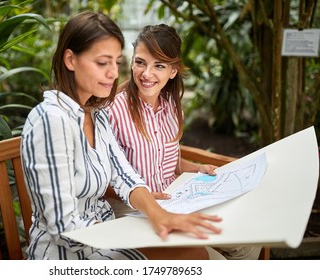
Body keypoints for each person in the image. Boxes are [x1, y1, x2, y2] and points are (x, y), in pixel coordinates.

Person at [20, 11, 222, 260]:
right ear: (70, 60)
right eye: (102, 62)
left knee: (197, 254)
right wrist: (136, 232)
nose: (115, 74)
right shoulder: (49, 121)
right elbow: (64, 229)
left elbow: (125, 175)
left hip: (107, 233)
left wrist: (160, 215)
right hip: (71, 254)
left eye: (116, 62)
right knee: (195, 257)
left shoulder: (96, 115)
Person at [106, 24, 261, 260]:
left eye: (159, 65)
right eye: (140, 62)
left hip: (176, 201)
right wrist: (143, 197)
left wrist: (198, 168)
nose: (146, 74)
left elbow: (170, 161)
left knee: (251, 243)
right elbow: (102, 178)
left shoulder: (172, 108)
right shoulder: (114, 111)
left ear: (173, 71)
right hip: (133, 211)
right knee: (214, 262)